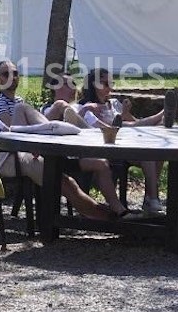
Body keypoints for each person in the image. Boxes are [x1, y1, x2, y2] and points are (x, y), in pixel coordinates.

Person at [0, 66, 122, 220]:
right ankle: (105, 216)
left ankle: (48, 131)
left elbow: (8, 131)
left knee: (21, 108)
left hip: (14, 154)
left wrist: (27, 143)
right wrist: (24, 147)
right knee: (64, 182)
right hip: (5, 161)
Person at [65, 67, 166, 215]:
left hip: (125, 144)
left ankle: (150, 198)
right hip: (105, 146)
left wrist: (125, 114)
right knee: (129, 127)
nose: (109, 87)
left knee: (153, 155)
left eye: (111, 83)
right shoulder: (84, 107)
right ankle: (163, 113)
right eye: (105, 84)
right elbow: (99, 130)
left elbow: (135, 122)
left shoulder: (113, 103)